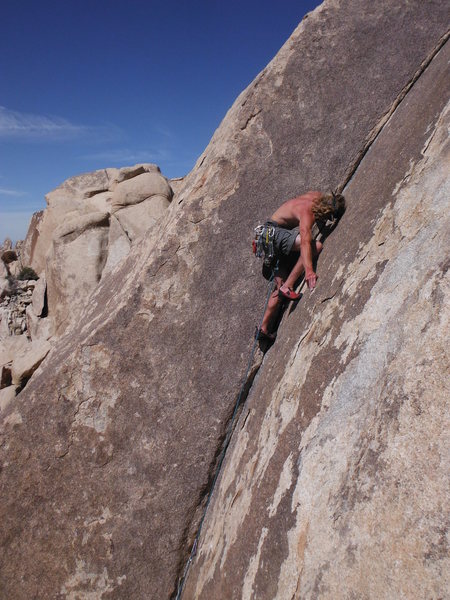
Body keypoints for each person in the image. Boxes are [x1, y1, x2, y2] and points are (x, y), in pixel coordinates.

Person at [256, 190, 345, 342]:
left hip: (268, 237)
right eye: (328, 217)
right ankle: (289, 286)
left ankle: (263, 328)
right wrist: (309, 271)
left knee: (279, 286)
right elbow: (304, 241)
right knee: (314, 246)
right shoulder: (308, 213)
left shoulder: (315, 195)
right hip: (274, 235)